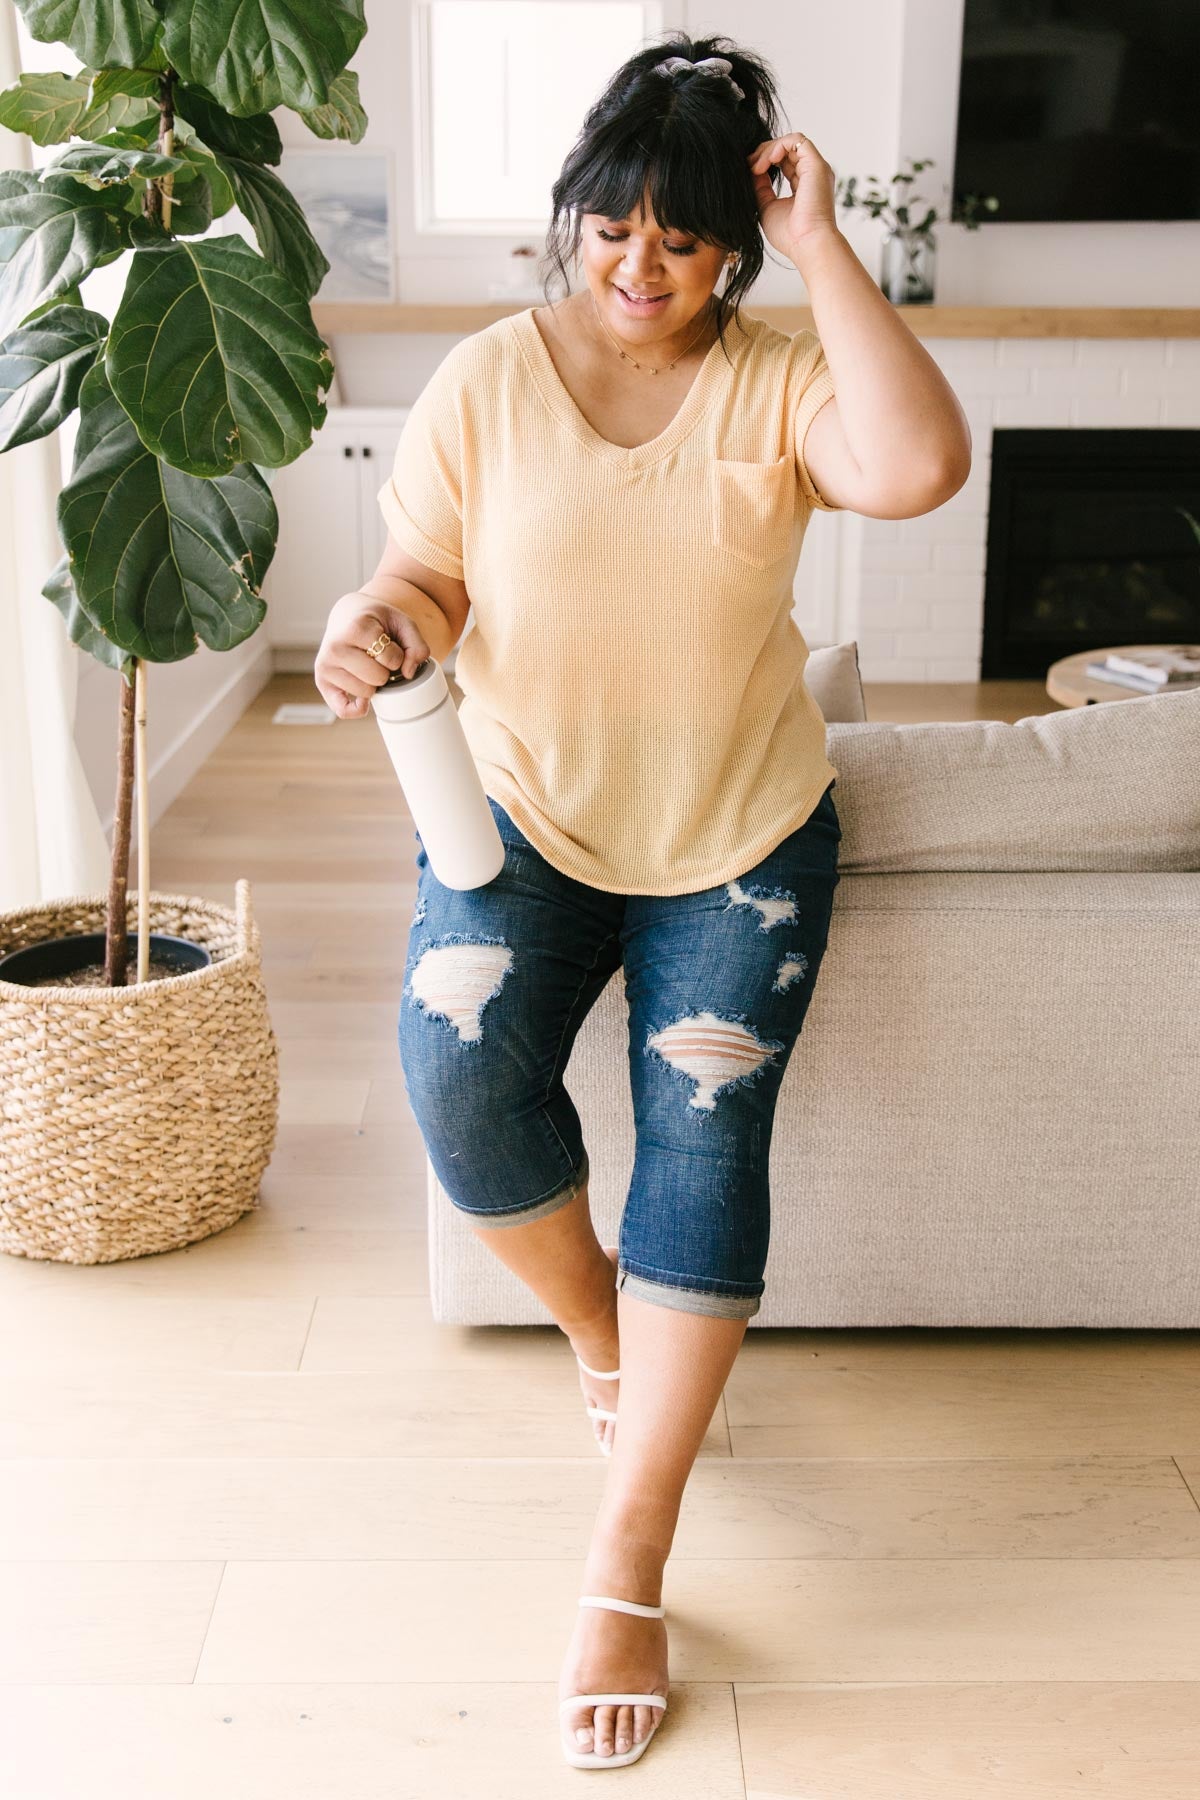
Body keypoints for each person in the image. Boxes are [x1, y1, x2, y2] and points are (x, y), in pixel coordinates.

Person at [314, 32, 971, 1771]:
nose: (639, 268)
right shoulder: (485, 381)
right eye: (614, 228)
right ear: (573, 215)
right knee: (458, 1075)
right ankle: (604, 1328)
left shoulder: (779, 381)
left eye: (684, 243)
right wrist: (378, 623)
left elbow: (919, 468)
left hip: (739, 840)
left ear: (735, 251)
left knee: (704, 1134)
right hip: (522, 822)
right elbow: (426, 575)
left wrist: (822, 245)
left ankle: (629, 1553)